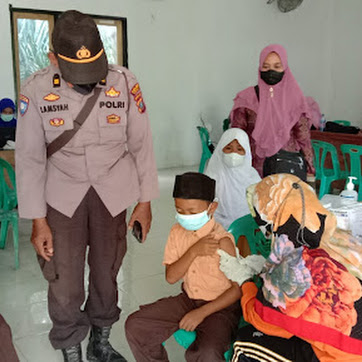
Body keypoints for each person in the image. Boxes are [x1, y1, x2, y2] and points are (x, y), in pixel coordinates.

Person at [15, 10, 159, 362]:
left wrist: (145, 201)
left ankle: (101, 342)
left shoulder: (124, 82)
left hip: (113, 191)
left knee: (107, 272)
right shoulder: (35, 89)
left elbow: (141, 143)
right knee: (63, 278)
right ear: (53, 59)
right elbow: (30, 158)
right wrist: (38, 220)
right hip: (62, 197)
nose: (86, 79)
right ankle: (71, 350)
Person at [219, 174, 362, 361]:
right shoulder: (344, 239)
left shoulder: (290, 264)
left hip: (347, 355)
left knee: (244, 343)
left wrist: (245, 281)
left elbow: (262, 320)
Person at [125, 172, 242, 362]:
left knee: (208, 351)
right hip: (188, 300)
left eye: (192, 211)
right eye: (180, 210)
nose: (185, 216)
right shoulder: (177, 232)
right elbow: (171, 277)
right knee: (136, 325)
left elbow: (237, 290)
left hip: (220, 308)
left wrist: (201, 313)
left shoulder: (222, 241)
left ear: (212, 208)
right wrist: (193, 251)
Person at [229, 44, 317, 177]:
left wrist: (309, 167)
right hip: (251, 170)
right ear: (259, 68)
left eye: (277, 66)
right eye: (266, 66)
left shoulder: (295, 100)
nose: (271, 71)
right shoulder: (247, 98)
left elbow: (303, 137)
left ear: (285, 68)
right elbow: (236, 135)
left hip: (287, 168)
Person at [205, 128, 261, 230]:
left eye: (239, 149)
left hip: (248, 224)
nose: (233, 154)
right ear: (221, 150)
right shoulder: (212, 175)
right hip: (217, 225)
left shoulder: (252, 176)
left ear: (246, 152)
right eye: (228, 148)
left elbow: (260, 204)